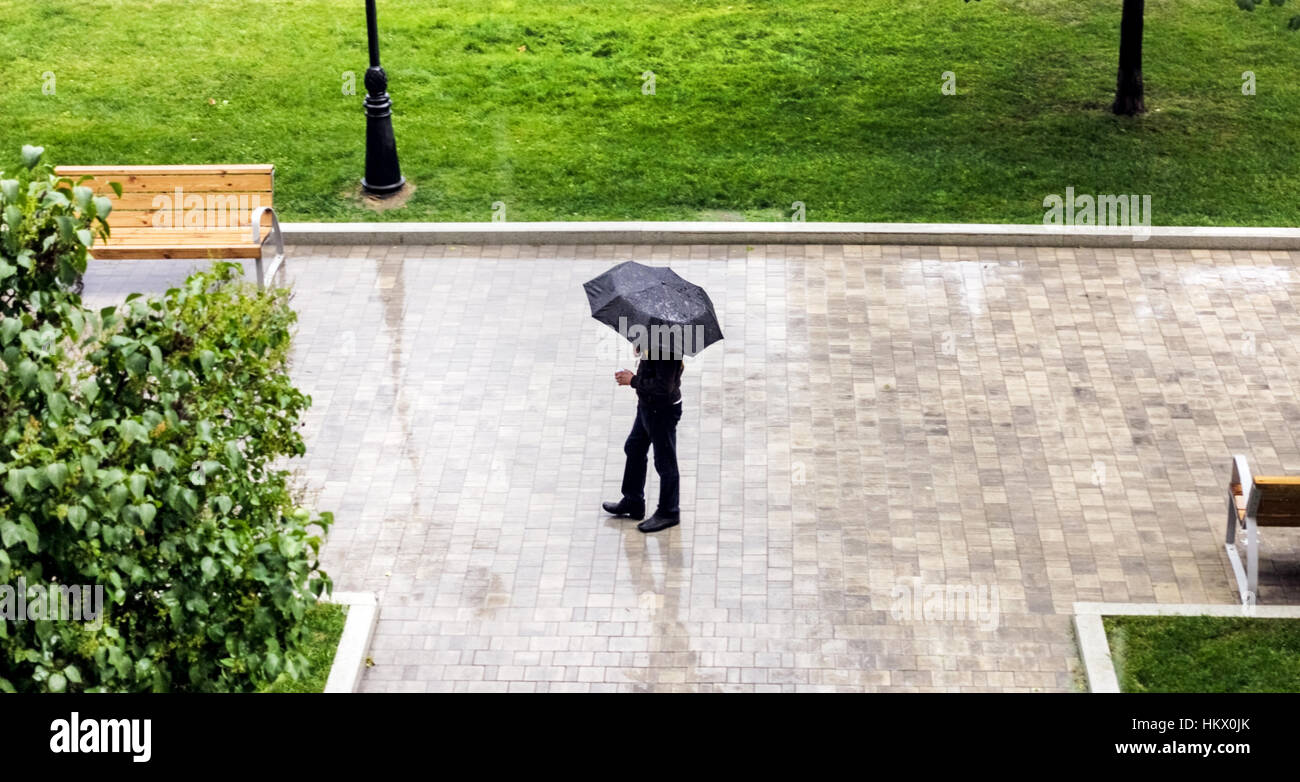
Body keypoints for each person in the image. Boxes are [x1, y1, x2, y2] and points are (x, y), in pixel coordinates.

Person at [603, 342, 684, 533]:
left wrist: (633, 380)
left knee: (665, 463)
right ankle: (633, 501)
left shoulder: (667, 347)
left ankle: (669, 512)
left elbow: (663, 387)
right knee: (634, 448)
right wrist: (643, 347)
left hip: (662, 411)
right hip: (647, 406)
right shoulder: (656, 338)